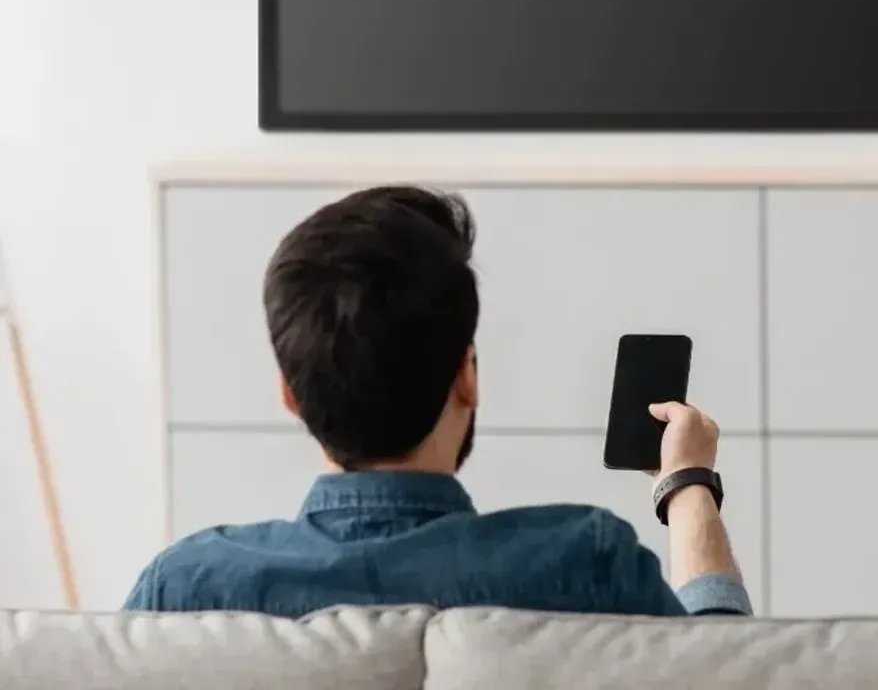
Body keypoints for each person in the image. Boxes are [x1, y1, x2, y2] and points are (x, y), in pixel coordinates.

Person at [123, 185, 751, 618]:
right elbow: (725, 674)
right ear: (466, 378)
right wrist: (687, 485)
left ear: (290, 395)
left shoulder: (183, 590)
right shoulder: (586, 564)